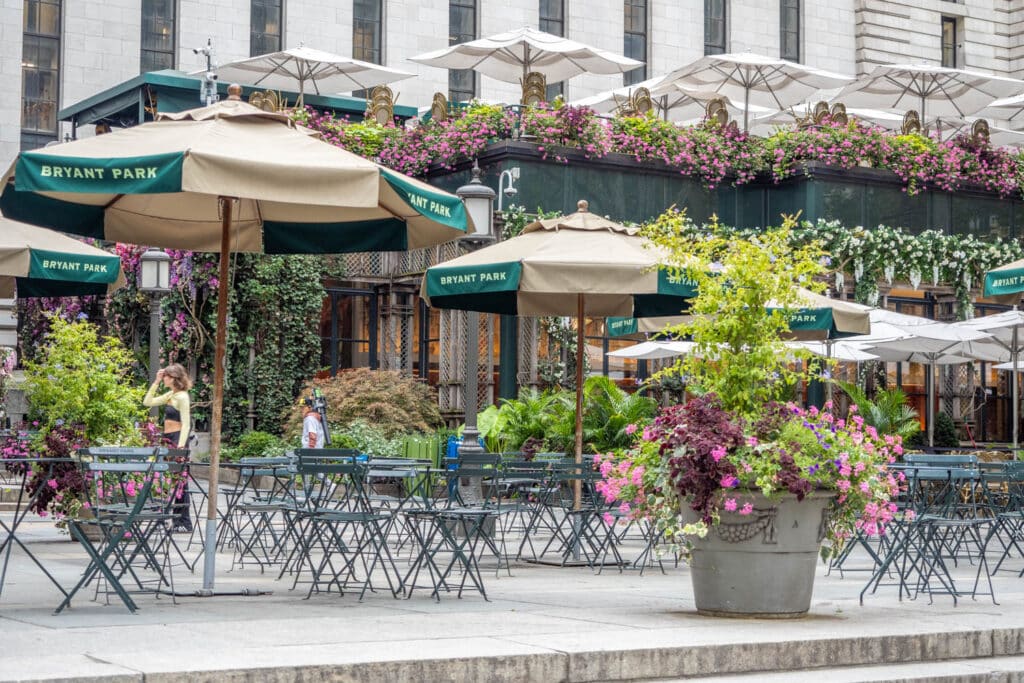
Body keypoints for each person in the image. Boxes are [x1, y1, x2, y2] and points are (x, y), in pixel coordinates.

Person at [143, 363, 193, 530]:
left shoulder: (183, 397)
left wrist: (180, 446)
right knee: (166, 479)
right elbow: (147, 402)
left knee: (180, 480)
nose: (164, 378)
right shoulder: (171, 394)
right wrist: (156, 382)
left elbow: (186, 424)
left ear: (173, 378)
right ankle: (167, 516)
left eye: (165, 376)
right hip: (167, 438)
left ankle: (183, 521)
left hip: (178, 438)